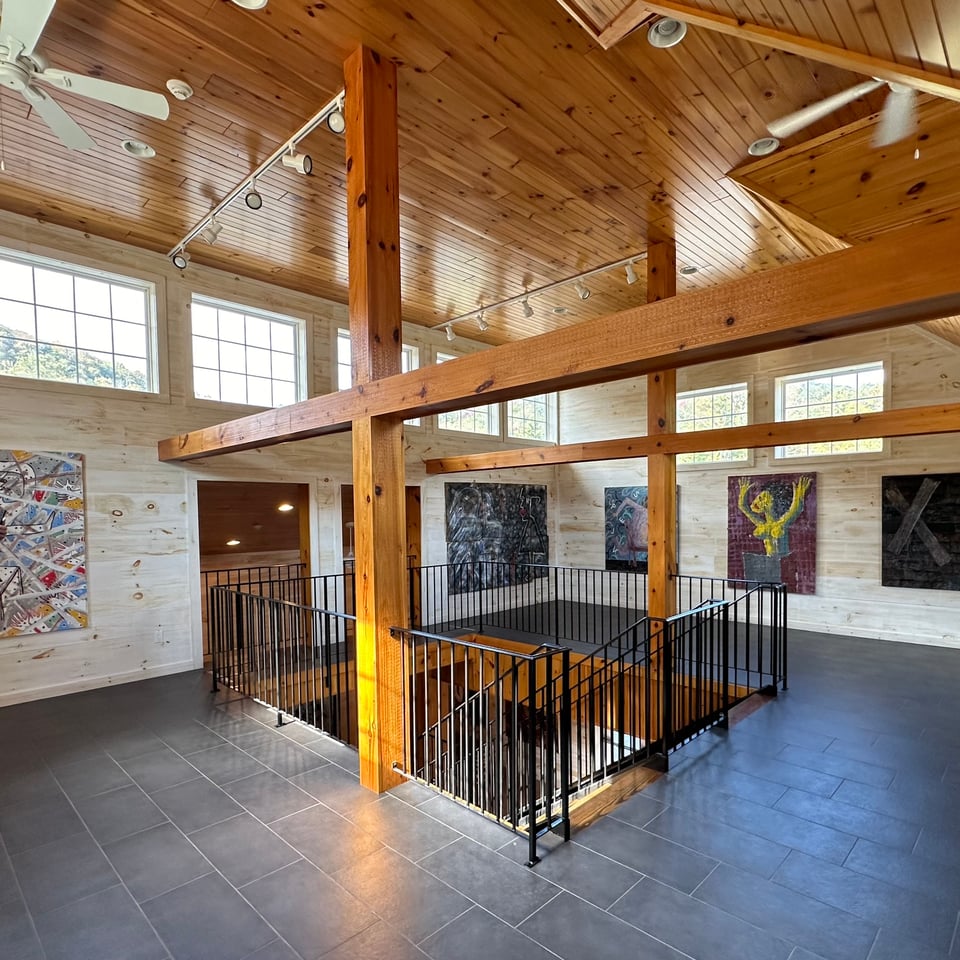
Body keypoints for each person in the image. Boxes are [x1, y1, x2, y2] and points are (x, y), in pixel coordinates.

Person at [737, 475, 812, 556]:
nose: (757, 502)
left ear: (775, 503)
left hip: (784, 561)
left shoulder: (782, 522)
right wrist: (742, 494)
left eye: (764, 499)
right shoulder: (762, 524)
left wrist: (799, 496)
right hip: (769, 561)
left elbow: (795, 509)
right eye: (759, 498)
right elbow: (744, 508)